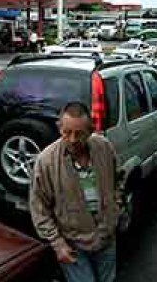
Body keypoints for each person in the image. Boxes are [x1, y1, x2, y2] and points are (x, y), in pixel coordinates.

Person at [30, 102, 118, 282]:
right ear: (59, 128)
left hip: (106, 237)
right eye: (66, 132)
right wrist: (58, 244)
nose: (72, 139)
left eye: (79, 134)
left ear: (91, 130)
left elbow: (118, 179)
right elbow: (39, 208)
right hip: (74, 244)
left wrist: (116, 210)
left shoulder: (104, 147)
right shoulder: (46, 161)